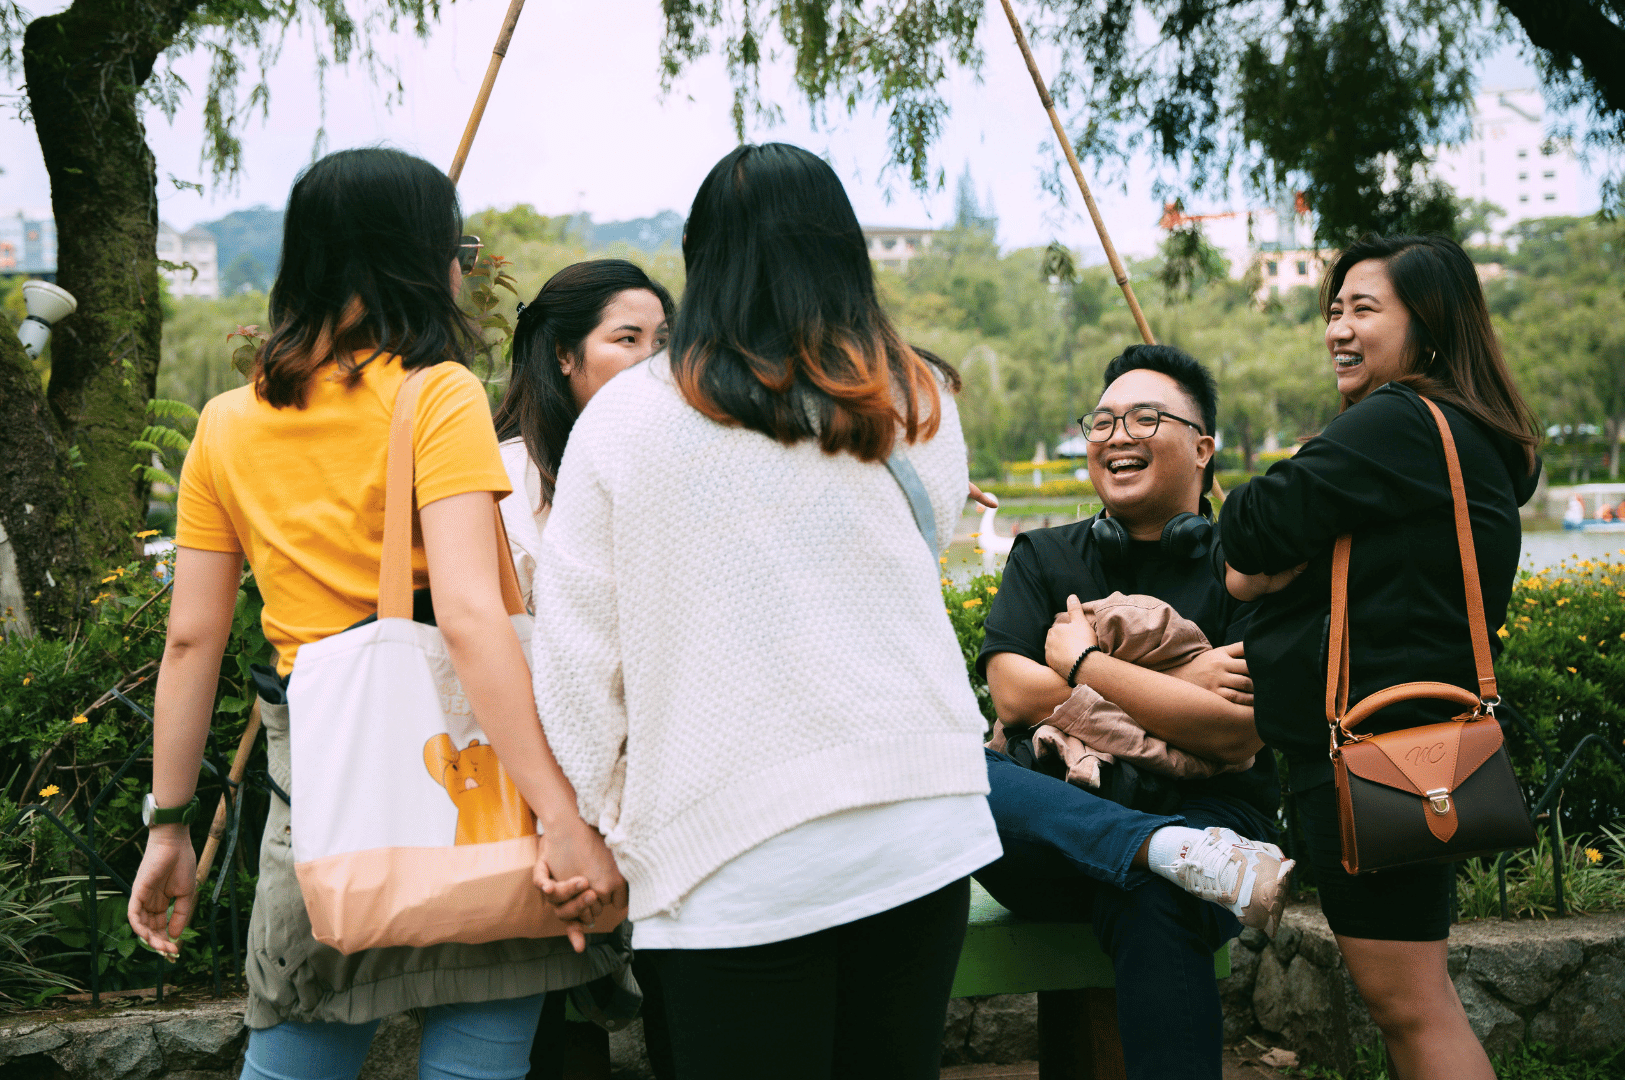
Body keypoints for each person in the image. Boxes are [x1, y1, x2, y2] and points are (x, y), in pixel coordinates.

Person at [125, 147, 627, 1080]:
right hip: (476, 772)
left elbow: (191, 638)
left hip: (322, 777)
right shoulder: (436, 395)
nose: (462, 266)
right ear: (419, 259)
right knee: (477, 1058)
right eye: (458, 247)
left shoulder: (226, 423)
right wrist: (559, 815)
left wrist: (169, 826)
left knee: (297, 1051)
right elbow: (473, 619)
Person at [528, 142, 1000, 1080]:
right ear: (844, 253)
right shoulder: (913, 394)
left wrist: (595, 822)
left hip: (728, 842)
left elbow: (578, 650)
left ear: (703, 261)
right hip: (922, 813)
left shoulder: (626, 417)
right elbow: (929, 527)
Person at [1221, 234, 1541, 1080]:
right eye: (1332, 311)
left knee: (1411, 1008)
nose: (1338, 328)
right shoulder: (1462, 435)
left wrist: (1262, 559)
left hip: (1373, 757)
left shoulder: (1398, 422)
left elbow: (1247, 528)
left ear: (1427, 325)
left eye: (1364, 309)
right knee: (1411, 1002)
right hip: (1413, 745)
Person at [975, 344, 1293, 1080]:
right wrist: (1180, 679)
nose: (1116, 435)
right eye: (1103, 421)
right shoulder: (1044, 554)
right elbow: (1015, 694)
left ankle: (1162, 856)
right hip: (1053, 826)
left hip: (1212, 818)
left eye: (1145, 418)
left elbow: (1233, 729)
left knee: (1160, 896)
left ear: (1202, 448)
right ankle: (1157, 848)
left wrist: (1087, 664)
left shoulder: (1245, 567)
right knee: (958, 771)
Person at [493, 259, 674, 610]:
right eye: (628, 339)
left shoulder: (661, 465)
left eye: (661, 341)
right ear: (564, 354)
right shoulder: (510, 477)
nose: (653, 360)